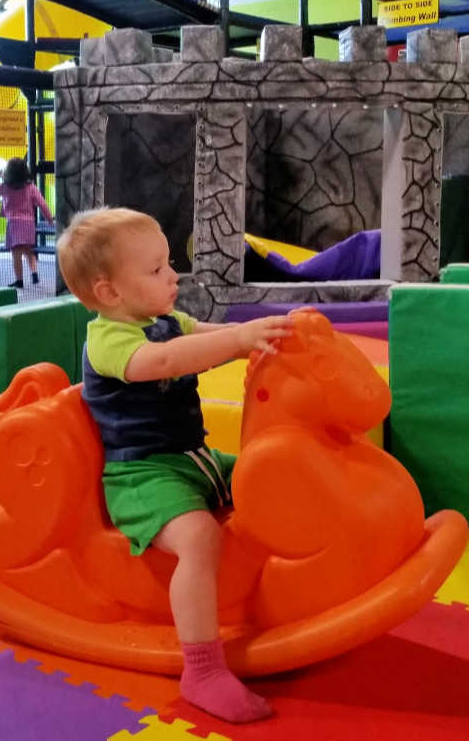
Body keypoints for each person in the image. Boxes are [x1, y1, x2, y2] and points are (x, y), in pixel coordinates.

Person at [56, 207, 292, 723]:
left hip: (196, 459)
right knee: (200, 538)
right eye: (157, 268)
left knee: (272, 474)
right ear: (110, 293)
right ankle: (202, 668)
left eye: (168, 264)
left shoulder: (164, 321)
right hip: (143, 475)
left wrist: (261, 336)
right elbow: (165, 362)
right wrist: (233, 342)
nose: (173, 275)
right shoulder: (110, 340)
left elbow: (205, 335)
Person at [0, 157, 54, 288]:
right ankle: (34, 273)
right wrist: (50, 220)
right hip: (28, 224)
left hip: (14, 224)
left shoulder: (5, 187)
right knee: (28, 250)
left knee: (16, 254)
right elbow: (42, 204)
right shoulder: (31, 187)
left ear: (8, 173)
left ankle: (19, 280)